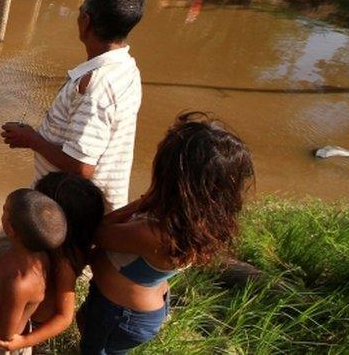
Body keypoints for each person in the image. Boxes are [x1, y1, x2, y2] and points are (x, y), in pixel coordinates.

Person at [78, 112, 254, 354]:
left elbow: (98, 232)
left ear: (173, 178)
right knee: (89, 329)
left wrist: (141, 202)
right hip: (126, 308)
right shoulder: (195, 220)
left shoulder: (154, 233)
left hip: (121, 314)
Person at [1, 0, 145, 212]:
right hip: (81, 201)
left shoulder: (95, 86)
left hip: (69, 208)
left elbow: (82, 166)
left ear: (86, 22)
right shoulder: (127, 68)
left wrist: (31, 140)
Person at [0, 173, 106, 351]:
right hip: (19, 310)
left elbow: (64, 316)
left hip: (32, 323)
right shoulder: (37, 244)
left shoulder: (64, 263)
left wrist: (25, 341)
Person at [0, 189, 67, 355]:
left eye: (5, 209)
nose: (1, 212)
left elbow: (5, 333)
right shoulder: (23, 251)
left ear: (10, 229)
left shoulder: (21, 283)